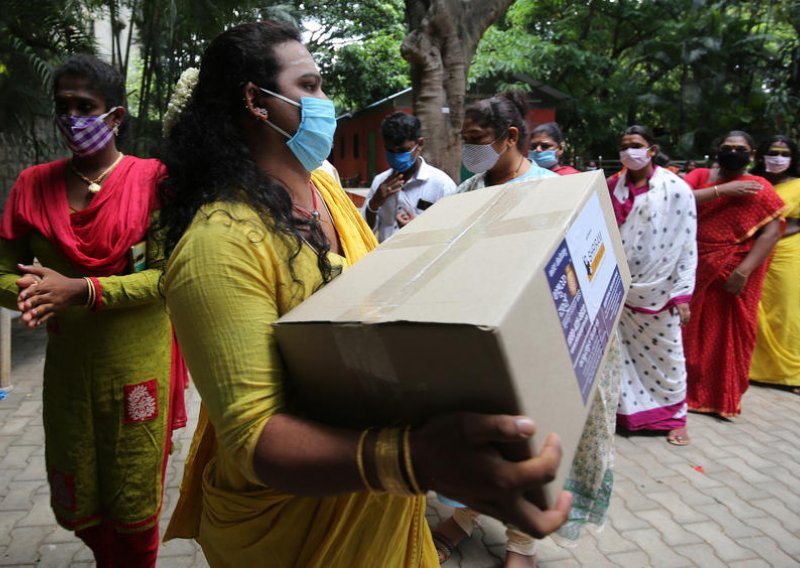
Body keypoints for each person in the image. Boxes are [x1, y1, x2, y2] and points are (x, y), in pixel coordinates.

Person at [157, 21, 571, 567]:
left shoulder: (325, 189)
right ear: (257, 101)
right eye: (310, 86)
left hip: (377, 507)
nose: (326, 102)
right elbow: (256, 437)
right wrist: (416, 459)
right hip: (294, 532)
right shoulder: (219, 245)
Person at [0, 54, 186, 567]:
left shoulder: (154, 180)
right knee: (78, 501)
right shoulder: (32, 185)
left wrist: (81, 291)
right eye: (65, 106)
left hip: (138, 372)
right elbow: (2, 272)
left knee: (135, 503)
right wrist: (31, 293)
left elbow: (167, 276)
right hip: (69, 374)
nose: (73, 118)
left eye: (87, 106)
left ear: (116, 116)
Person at [434, 92, 599, 567]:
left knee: (528, 437)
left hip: (538, 337)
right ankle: (463, 520)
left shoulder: (554, 192)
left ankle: (521, 543)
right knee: (483, 437)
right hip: (475, 334)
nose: (470, 153)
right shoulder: (465, 194)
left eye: (478, 141)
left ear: (510, 138)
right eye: (464, 142)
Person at [682, 131, 785, 417]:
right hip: (697, 266)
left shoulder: (760, 187)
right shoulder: (704, 177)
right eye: (727, 147)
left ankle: (721, 396)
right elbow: (679, 200)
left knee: (727, 334)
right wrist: (722, 190)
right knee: (691, 332)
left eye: (740, 148)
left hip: (734, 273)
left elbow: (771, 233)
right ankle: (688, 393)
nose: (733, 152)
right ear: (718, 151)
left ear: (751, 155)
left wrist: (743, 270)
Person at [607, 126, 697, 446]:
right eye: (624, 146)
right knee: (623, 357)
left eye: (636, 145)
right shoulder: (612, 187)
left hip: (662, 289)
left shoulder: (676, 189)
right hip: (621, 287)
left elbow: (687, 244)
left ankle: (675, 418)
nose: (630, 151)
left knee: (669, 356)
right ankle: (628, 414)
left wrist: (682, 293)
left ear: (652, 150)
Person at [749, 135, 800, 393]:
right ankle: (753, 369)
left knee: (787, 311)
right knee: (753, 307)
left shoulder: (798, 186)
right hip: (751, 252)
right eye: (772, 152)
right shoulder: (755, 183)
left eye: (784, 153)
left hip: (787, 253)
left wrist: (772, 234)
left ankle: (792, 374)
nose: (778, 158)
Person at [364, 112, 456, 242]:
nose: (396, 156)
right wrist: (374, 203)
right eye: (390, 151)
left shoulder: (442, 185)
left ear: (420, 144)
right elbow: (364, 231)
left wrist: (416, 230)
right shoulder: (380, 182)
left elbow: (452, 234)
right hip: (386, 258)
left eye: (403, 150)